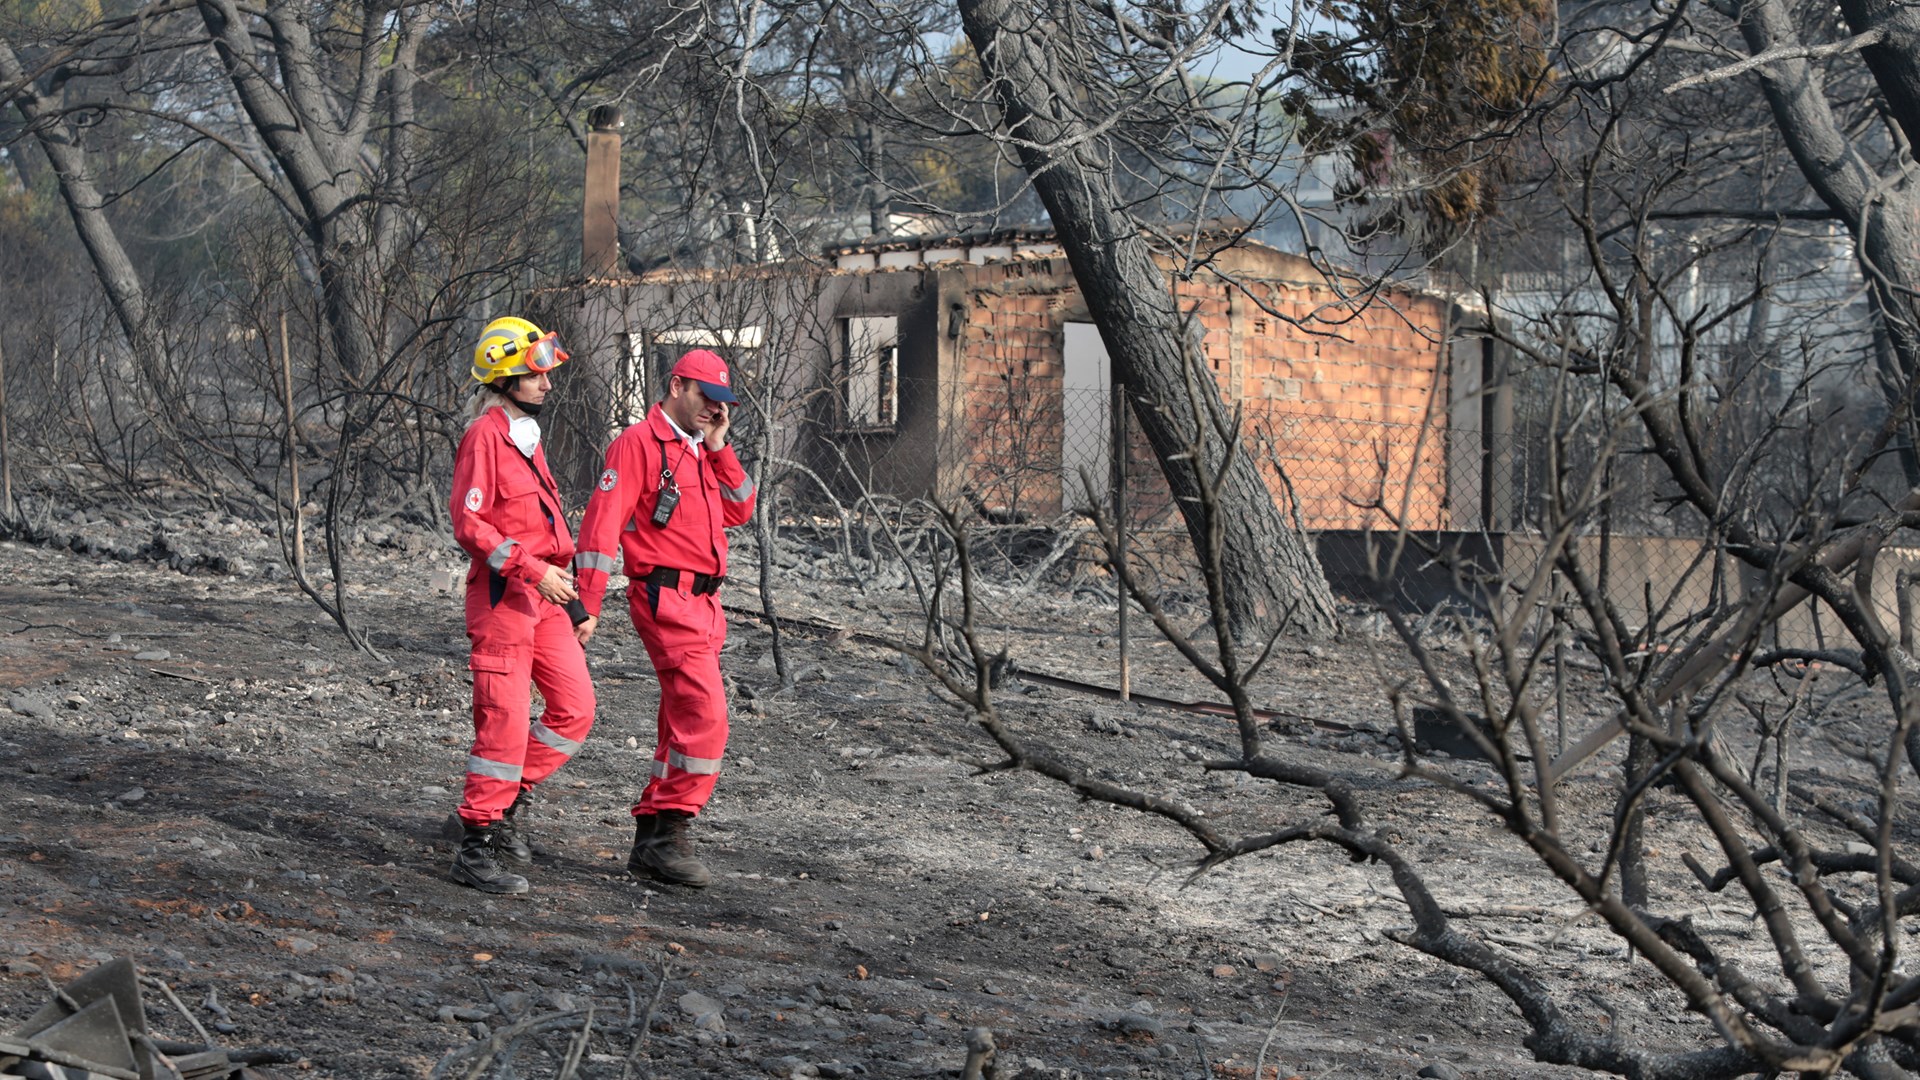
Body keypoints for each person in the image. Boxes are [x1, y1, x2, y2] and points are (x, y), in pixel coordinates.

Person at [573, 348, 756, 887]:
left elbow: (740, 507)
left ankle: (652, 838)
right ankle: (669, 828)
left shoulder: (698, 450)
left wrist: (720, 446)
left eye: (722, 404)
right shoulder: (638, 445)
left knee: (681, 721)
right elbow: (601, 527)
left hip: (705, 605)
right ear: (677, 386)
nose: (713, 410)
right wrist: (587, 603)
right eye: (707, 398)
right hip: (667, 601)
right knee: (706, 718)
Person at [446, 315, 597, 895]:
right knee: (504, 723)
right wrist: (534, 571)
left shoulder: (525, 438)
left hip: (548, 601)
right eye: (536, 374)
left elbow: (549, 526)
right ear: (505, 376)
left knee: (575, 709)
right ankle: (476, 843)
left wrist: (576, 606)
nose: (547, 384)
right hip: (505, 598)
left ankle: (509, 801)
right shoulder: (485, 435)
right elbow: (470, 523)